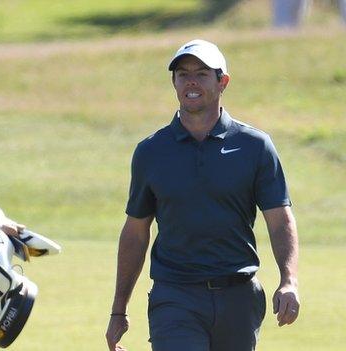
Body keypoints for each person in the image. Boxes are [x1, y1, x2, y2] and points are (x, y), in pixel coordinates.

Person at [105, 39, 300, 351]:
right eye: (183, 74)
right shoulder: (151, 152)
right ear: (174, 82)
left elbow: (279, 220)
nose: (191, 82)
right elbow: (135, 232)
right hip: (175, 296)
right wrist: (119, 310)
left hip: (239, 297)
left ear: (223, 82)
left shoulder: (255, 146)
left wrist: (289, 280)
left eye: (202, 74)